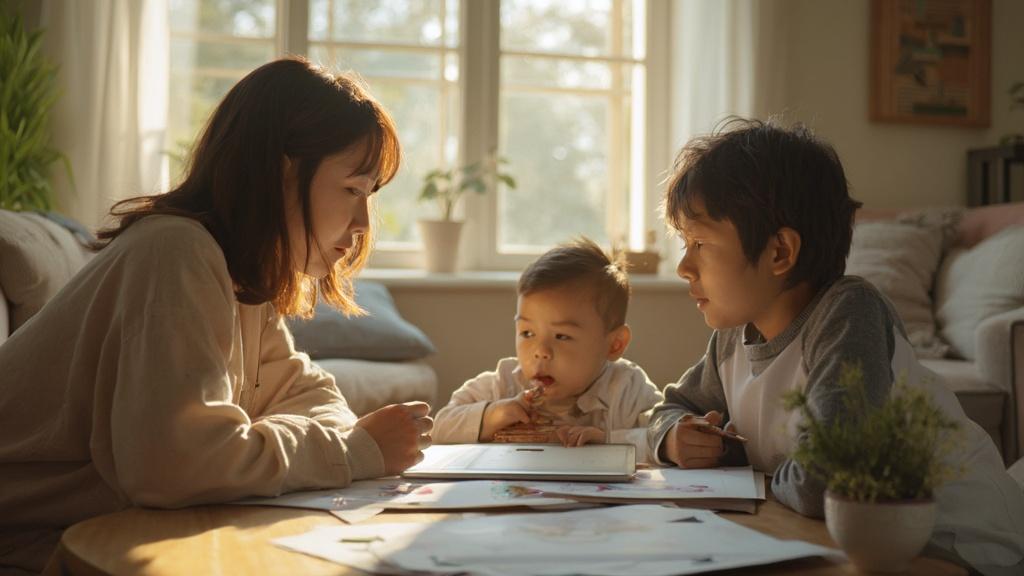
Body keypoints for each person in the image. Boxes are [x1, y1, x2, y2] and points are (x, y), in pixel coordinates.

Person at [0, 57, 433, 574]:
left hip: (93, 528)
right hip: (33, 544)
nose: (364, 222)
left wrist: (345, 444)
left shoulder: (242, 275)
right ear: (282, 171)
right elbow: (174, 466)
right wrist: (352, 451)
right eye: (353, 190)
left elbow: (308, 393)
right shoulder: (175, 250)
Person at [647, 118, 1024, 575]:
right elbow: (671, 406)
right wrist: (674, 436)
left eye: (700, 243)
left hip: (955, 542)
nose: (685, 266)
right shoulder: (732, 335)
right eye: (684, 243)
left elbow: (826, 478)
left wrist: (731, 454)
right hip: (847, 536)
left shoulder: (849, 312)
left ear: (780, 252)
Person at [433, 237, 663, 462]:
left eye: (562, 336)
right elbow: (440, 427)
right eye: (527, 333)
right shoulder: (503, 383)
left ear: (615, 344)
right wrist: (495, 414)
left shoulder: (627, 388)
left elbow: (666, 438)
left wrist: (611, 441)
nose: (540, 351)